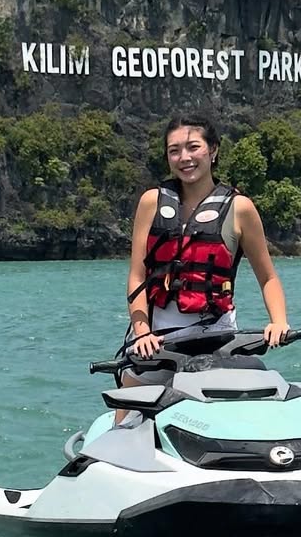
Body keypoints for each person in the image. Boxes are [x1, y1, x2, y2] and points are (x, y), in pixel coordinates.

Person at [122, 113, 291, 387]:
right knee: (127, 411)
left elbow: (268, 277)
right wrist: (142, 333)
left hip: (216, 336)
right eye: (174, 151)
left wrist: (278, 322)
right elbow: (137, 276)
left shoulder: (240, 208)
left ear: (213, 150)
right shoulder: (151, 202)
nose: (184, 158)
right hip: (155, 339)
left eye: (193, 147)